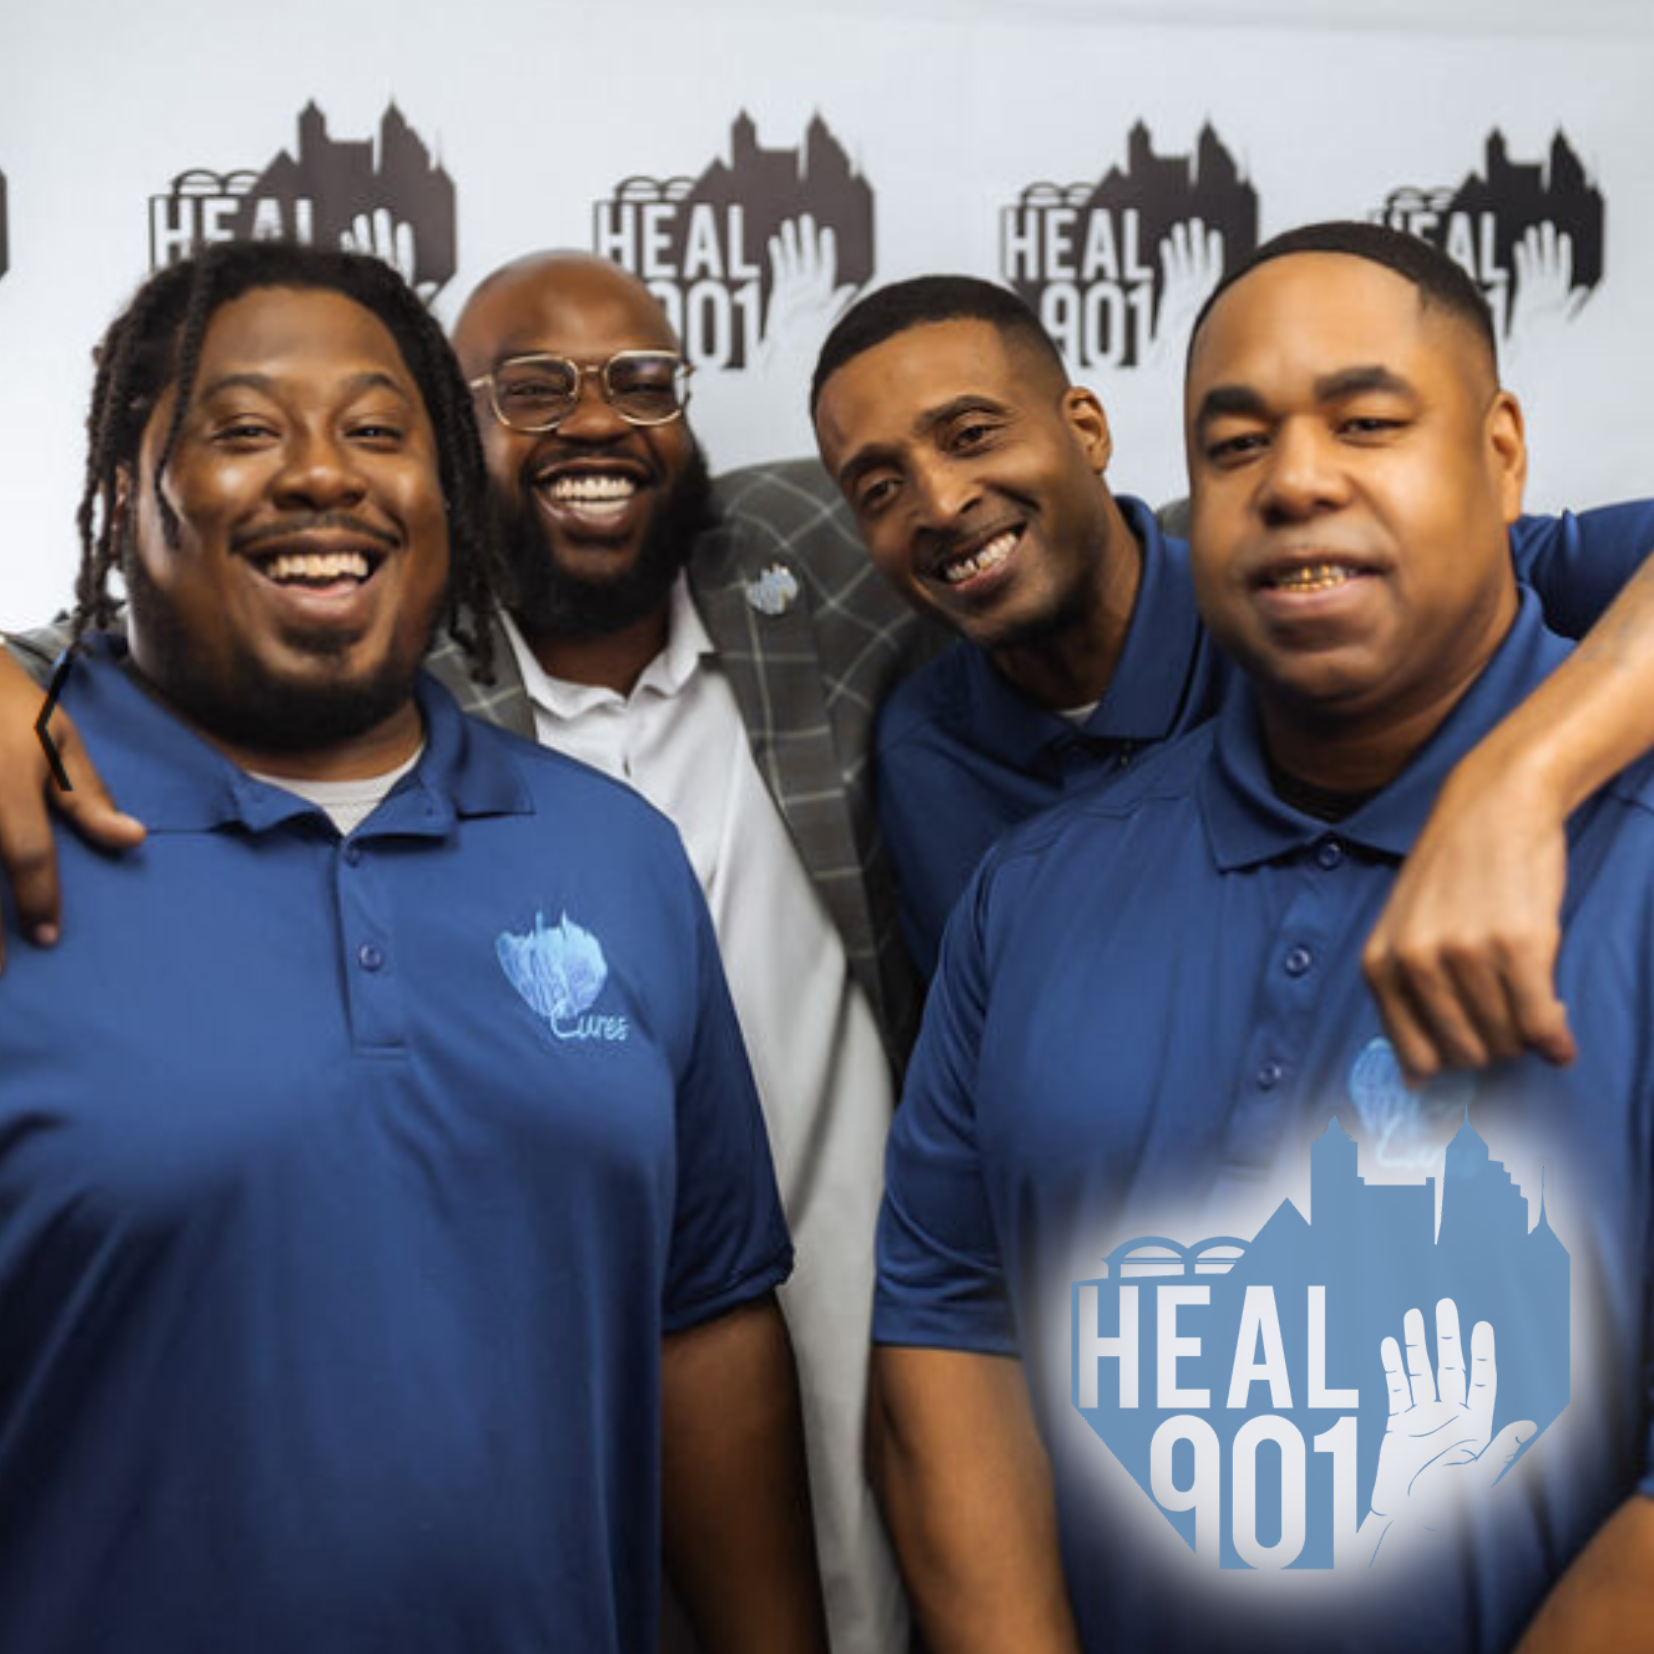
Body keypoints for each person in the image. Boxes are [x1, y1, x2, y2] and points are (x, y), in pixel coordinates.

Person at [0, 249, 918, 1654]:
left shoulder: (611, 851)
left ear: (451, 499)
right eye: (243, 429)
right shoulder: (25, 818)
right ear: (124, 489)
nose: (323, 475)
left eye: (378, 430)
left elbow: (704, 1320)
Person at [867, 222, 1654, 1653]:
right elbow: (947, 1317)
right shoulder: (1028, 885)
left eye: (1364, 421)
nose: (1295, 479)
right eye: (1232, 447)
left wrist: (1517, 779)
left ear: (1499, 453)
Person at [810, 274, 1654, 1061]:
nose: (940, 501)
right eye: (880, 489)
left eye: (972, 436)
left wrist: (1521, 776)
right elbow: (994, 1061)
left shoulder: (1314, 585)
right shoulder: (921, 749)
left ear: (1086, 429)